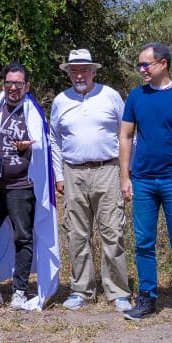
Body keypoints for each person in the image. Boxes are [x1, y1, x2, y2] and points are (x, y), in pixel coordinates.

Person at [119, 42, 172, 324]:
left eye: (147, 64)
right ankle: (146, 297)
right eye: (140, 65)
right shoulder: (135, 97)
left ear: (164, 63)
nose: (142, 69)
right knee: (144, 242)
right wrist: (125, 176)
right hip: (143, 180)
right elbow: (125, 137)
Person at [49, 49, 130, 312]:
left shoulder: (110, 96)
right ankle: (81, 290)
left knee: (113, 232)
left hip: (108, 170)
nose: (79, 75)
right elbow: (55, 140)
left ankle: (117, 291)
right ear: (68, 73)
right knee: (76, 234)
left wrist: (126, 173)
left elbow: (127, 135)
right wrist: (59, 175)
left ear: (94, 72)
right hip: (73, 173)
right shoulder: (61, 100)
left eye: (84, 70)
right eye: (74, 70)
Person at [0, 62, 62, 310]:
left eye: (18, 83)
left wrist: (28, 149)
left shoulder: (34, 113)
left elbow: (43, 148)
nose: (13, 88)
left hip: (21, 185)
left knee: (23, 237)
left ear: (26, 86)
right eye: (9, 83)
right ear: (3, 84)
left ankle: (19, 290)